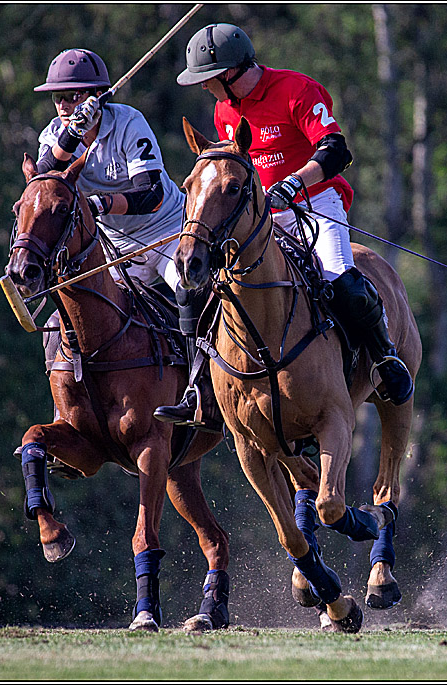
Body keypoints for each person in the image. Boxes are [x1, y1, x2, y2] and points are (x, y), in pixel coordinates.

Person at [155, 23, 414, 429]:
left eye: (207, 80)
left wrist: (293, 183)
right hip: (259, 217)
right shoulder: (224, 111)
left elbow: (336, 149)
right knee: (200, 288)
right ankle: (199, 388)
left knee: (340, 279)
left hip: (315, 204)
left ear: (229, 73)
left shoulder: (296, 90)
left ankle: (384, 358)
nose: (203, 89)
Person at [33, 48, 223, 433]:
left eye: (75, 96)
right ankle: (67, 410)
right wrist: (70, 138)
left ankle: (199, 389)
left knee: (190, 290)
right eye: (60, 98)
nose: (66, 105)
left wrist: (100, 203)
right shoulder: (54, 136)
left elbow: (150, 195)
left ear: (97, 96)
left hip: (168, 231)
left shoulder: (127, 122)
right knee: (68, 318)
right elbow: (41, 180)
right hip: (118, 250)